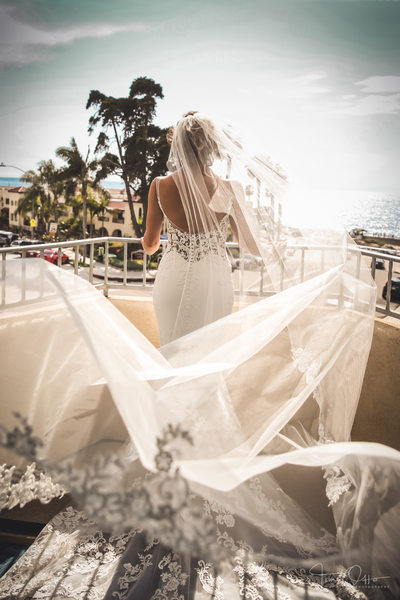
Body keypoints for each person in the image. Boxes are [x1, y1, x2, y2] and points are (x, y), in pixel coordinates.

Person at [0, 112, 400, 599]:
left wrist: (166, 235)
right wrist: (284, 248)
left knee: (172, 371)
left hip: (173, 283)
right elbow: (254, 248)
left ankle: (168, 469)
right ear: (210, 147)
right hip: (215, 282)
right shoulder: (227, 188)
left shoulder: (159, 185)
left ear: (177, 146)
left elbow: (148, 245)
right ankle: (202, 468)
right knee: (209, 375)